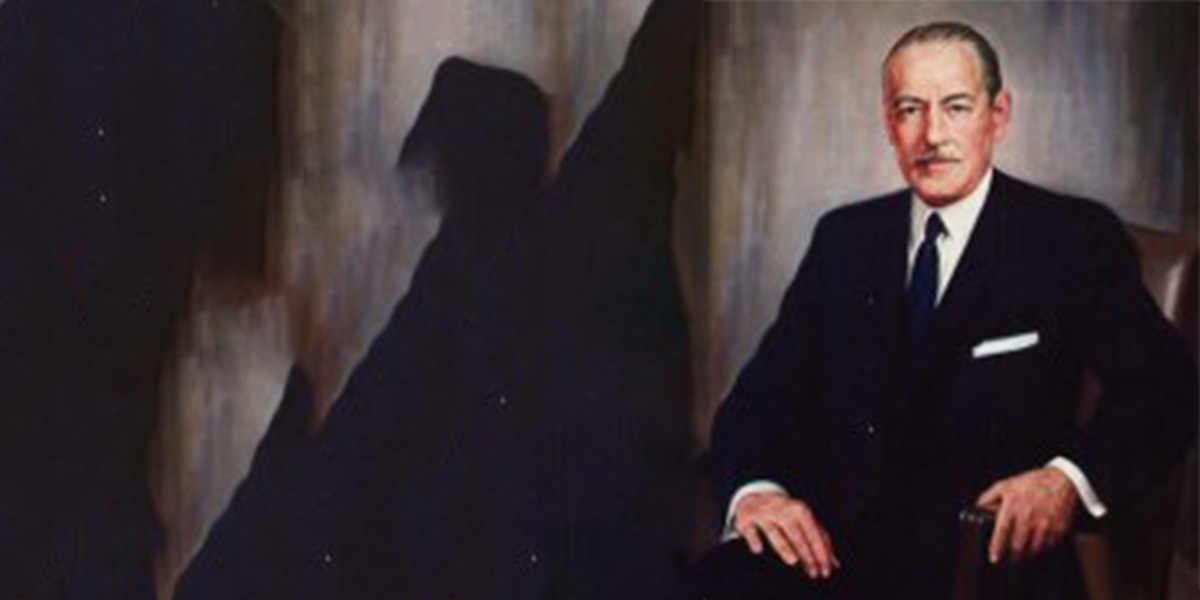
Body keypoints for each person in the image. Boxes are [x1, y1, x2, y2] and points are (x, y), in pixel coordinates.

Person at [698, 21, 1197, 599]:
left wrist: (1065, 479)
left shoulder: (1070, 238)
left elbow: (1166, 389)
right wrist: (757, 492)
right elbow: (759, 398)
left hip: (985, 564)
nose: (932, 134)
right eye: (910, 109)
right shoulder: (845, 239)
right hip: (830, 555)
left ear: (998, 115)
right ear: (889, 123)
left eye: (956, 107)